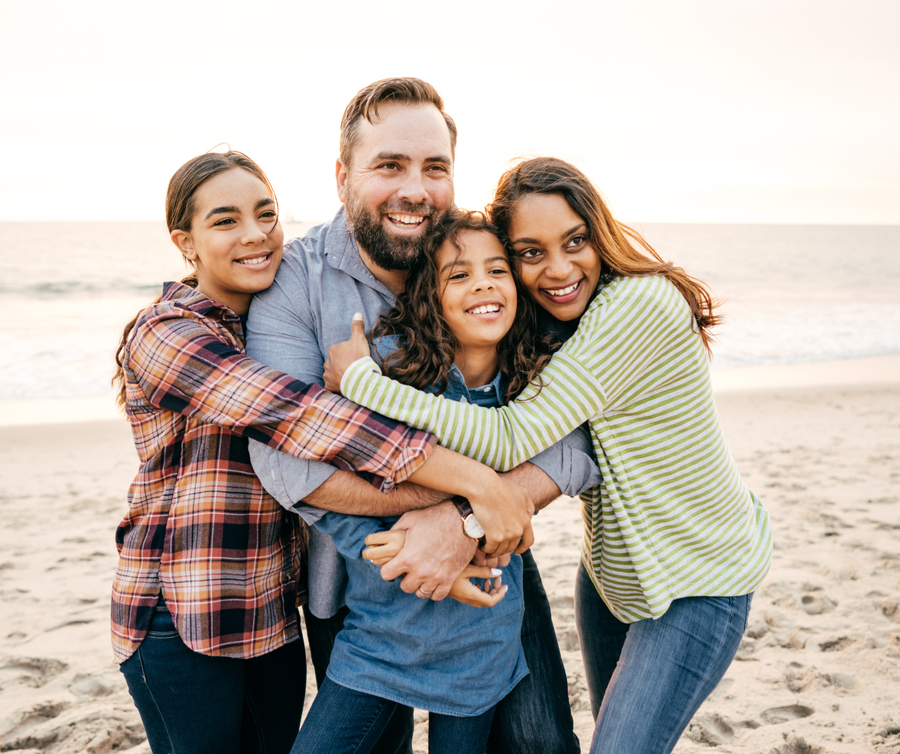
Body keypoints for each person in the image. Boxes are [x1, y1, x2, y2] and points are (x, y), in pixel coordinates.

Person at [325, 156, 774, 754]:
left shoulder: (636, 306)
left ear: (600, 234)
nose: (559, 268)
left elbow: (511, 437)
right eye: (531, 253)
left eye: (575, 241)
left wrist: (362, 381)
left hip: (699, 579)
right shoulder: (565, 321)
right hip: (613, 578)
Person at [111, 150, 535, 754]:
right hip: (182, 613)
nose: (256, 235)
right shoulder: (167, 334)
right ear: (187, 242)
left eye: (266, 213)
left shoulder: (262, 318)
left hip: (272, 610)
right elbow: (301, 417)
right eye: (225, 221)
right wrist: (480, 484)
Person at [247, 79, 596, 754]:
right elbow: (283, 455)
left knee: (542, 743)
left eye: (434, 168)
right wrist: (473, 486)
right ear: (343, 174)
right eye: (390, 166)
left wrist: (464, 521)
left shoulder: (484, 256)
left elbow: (574, 436)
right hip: (358, 581)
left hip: (491, 564)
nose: (416, 189)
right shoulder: (298, 279)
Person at [294, 209, 560, 754]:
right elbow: (332, 496)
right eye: (457, 275)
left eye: (497, 270)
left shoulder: (534, 391)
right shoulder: (388, 370)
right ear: (429, 297)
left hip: (479, 636)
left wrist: (470, 545)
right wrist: (392, 556)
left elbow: (521, 510)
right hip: (378, 636)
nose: (482, 283)